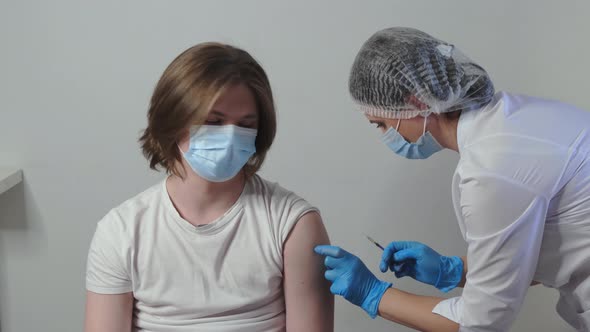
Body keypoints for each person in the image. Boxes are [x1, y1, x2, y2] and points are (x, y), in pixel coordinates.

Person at [315, 27, 590, 331]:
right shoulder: (514, 118)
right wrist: (453, 270)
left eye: (380, 123)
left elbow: (480, 324)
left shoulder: (491, 170)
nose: (384, 135)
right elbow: (534, 256)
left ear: (418, 102)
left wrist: (373, 294)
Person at [84, 42, 333, 332]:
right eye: (213, 121)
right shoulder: (121, 231)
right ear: (173, 120)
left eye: (244, 124)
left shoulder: (293, 224)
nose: (229, 137)